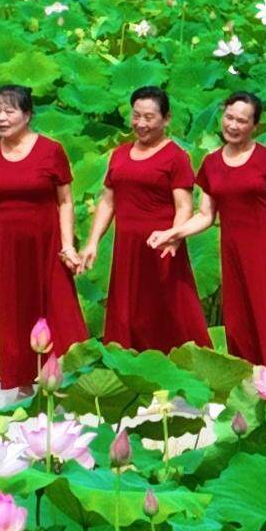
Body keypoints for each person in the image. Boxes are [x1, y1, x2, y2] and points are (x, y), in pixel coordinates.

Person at [0, 85, 85, 388]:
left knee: (60, 309)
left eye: (9, 111)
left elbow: (65, 201)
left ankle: (70, 380)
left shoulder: (51, 151)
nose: (1, 117)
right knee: (14, 310)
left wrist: (67, 245)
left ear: (27, 115)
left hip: (47, 243)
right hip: (8, 245)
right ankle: (22, 382)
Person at [91, 85, 209, 354]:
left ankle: (186, 369)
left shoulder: (176, 157)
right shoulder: (119, 155)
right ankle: (130, 375)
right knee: (126, 311)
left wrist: (174, 236)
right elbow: (108, 201)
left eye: (149, 117)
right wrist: (93, 242)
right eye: (136, 116)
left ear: (166, 119)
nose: (141, 124)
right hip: (126, 247)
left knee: (169, 310)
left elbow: (184, 207)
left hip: (161, 245)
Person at [200, 92, 266, 371]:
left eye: (242, 121)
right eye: (229, 118)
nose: (233, 126)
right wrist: (173, 233)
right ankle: (250, 382)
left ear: (255, 126)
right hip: (233, 250)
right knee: (239, 320)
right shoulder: (210, 163)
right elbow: (204, 215)